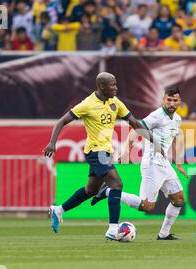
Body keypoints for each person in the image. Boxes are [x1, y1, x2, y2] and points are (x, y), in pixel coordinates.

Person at [43, 72, 158, 240]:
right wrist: (52, 142)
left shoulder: (115, 102)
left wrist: (153, 140)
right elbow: (62, 121)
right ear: (102, 86)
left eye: (116, 84)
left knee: (91, 190)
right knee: (117, 184)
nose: (116, 88)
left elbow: (134, 122)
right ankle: (113, 229)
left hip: (105, 152)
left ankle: (58, 209)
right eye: (112, 85)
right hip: (95, 151)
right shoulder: (88, 104)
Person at [91, 87, 188, 240]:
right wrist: (126, 150)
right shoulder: (156, 116)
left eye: (175, 100)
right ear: (163, 99)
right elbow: (136, 128)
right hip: (152, 164)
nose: (171, 103)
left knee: (179, 199)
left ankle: (163, 234)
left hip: (165, 164)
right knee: (147, 206)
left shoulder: (177, 119)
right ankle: (107, 192)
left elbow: (173, 139)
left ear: (179, 102)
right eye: (168, 100)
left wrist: (178, 162)